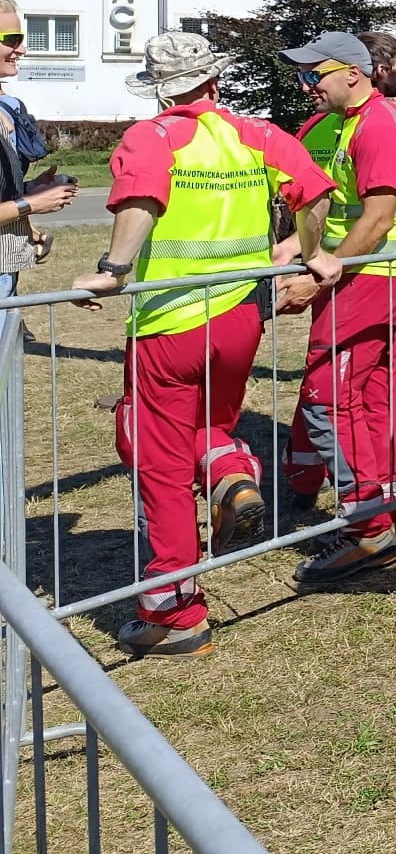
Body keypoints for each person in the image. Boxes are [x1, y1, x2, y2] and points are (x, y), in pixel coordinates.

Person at [70, 32, 340, 658]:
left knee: (160, 462)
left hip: (170, 325)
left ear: (161, 90)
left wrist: (112, 269)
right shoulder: (259, 134)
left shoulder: (153, 136)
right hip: (241, 318)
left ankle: (175, 613)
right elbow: (316, 191)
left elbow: (142, 199)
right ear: (214, 83)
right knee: (210, 427)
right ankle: (231, 473)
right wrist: (311, 250)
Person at [277, 31, 396, 584]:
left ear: (352, 74)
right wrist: (295, 248)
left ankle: (367, 530)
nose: (306, 85)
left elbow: (379, 219)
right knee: (364, 399)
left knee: (327, 400)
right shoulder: (349, 122)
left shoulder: (379, 125)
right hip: (369, 278)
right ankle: (381, 513)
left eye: (313, 74)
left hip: (369, 281)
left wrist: (320, 277)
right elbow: (340, 209)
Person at [0, 0, 79, 296]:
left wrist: (30, 189)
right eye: (12, 40)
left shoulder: (7, 104)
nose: (22, 49)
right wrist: (31, 204)